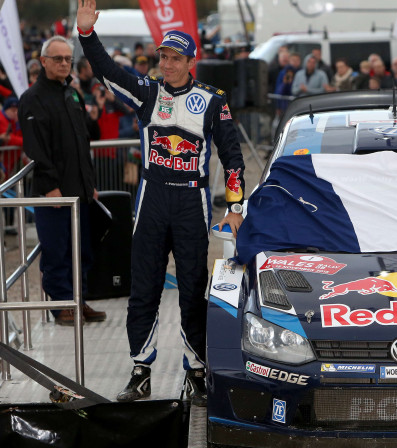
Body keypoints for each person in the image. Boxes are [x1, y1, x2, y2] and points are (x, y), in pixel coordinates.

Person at [77, 0, 246, 406]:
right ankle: (141, 370)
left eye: (175, 58)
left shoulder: (212, 100)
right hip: (152, 198)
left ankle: (196, 370)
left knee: (192, 288)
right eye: (163, 57)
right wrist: (87, 34)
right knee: (144, 288)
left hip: (192, 199)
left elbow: (233, 155)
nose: (167, 65)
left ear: (191, 60)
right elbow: (108, 73)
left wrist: (236, 206)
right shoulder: (147, 93)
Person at [18, 35, 107, 326]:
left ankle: (78, 301)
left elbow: (83, 141)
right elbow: (35, 148)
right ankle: (61, 306)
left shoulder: (72, 94)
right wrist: (50, 187)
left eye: (68, 59)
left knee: (81, 251)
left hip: (79, 190)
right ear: (43, 61)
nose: (64, 63)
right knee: (57, 251)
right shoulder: (32, 99)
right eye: (58, 59)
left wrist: (89, 183)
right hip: (53, 194)